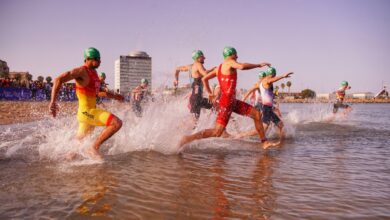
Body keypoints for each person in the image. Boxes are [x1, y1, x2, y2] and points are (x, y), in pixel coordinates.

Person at [179, 47, 276, 149]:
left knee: (256, 114)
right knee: (217, 132)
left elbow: (204, 79)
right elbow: (242, 66)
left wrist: (210, 93)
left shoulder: (219, 68)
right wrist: (258, 65)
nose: (237, 56)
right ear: (231, 55)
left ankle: (264, 142)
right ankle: (187, 139)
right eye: (236, 54)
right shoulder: (230, 63)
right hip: (226, 102)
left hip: (231, 101)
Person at [49, 47, 124, 160]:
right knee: (116, 123)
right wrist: (52, 102)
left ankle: (61, 166)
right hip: (87, 112)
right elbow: (58, 79)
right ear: (88, 58)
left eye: (99, 59)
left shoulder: (94, 72)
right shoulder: (81, 71)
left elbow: (98, 93)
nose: (100, 61)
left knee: (73, 152)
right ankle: (93, 148)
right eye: (97, 59)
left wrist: (115, 96)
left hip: (87, 116)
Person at [173, 50, 215, 120]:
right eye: (202, 56)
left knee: (195, 123)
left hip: (195, 98)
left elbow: (177, 69)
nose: (204, 58)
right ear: (197, 57)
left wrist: (176, 80)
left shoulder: (190, 66)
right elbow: (205, 74)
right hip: (196, 98)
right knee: (194, 123)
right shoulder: (198, 64)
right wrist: (215, 71)